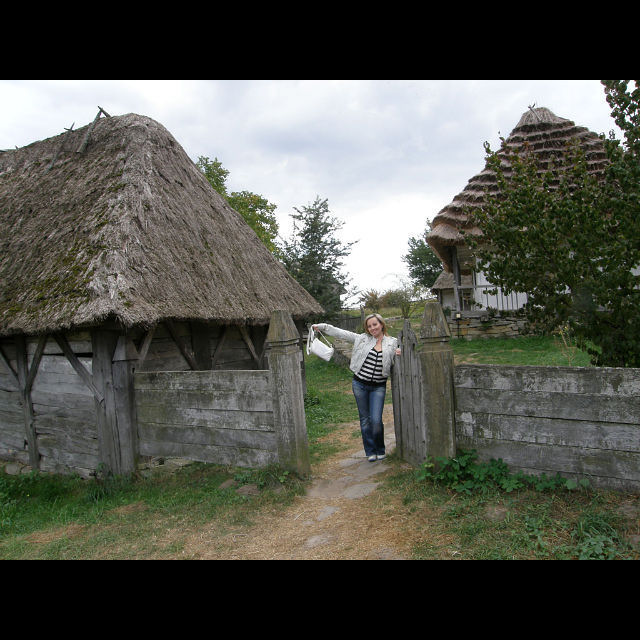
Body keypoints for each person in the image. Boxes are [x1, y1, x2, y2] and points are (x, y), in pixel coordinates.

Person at [312, 314, 401, 462]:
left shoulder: (392, 342)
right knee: (365, 419)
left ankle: (380, 449)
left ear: (381, 324)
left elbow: (407, 348)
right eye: (369, 326)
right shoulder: (362, 339)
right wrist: (323, 327)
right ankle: (370, 451)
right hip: (360, 385)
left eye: (375, 324)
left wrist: (400, 351)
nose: (372, 328)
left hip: (378, 387)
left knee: (376, 420)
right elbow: (341, 333)